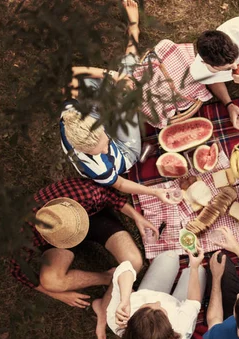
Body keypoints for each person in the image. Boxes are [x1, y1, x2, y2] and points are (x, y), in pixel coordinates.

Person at [60, 0, 177, 203]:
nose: (106, 150)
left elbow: (70, 75)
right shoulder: (98, 168)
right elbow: (121, 184)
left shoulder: (69, 116)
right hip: (125, 150)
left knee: (108, 81)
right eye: (102, 150)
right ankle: (134, 27)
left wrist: (113, 76)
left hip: (96, 115)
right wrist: (156, 192)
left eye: (104, 142)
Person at [9, 178, 156, 310]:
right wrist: (56, 294)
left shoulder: (85, 193)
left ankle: (111, 295)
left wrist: (137, 217)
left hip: (94, 219)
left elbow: (112, 198)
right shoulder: (23, 235)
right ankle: (108, 277)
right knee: (51, 282)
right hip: (56, 241)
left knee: (134, 262)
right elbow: (18, 271)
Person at [95, 249, 206, 339]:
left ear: (131, 320)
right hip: (179, 304)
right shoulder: (180, 326)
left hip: (149, 291)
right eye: (162, 310)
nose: (158, 302)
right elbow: (193, 302)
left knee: (169, 256)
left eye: (147, 305)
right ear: (170, 330)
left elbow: (125, 267)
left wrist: (124, 299)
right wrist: (194, 268)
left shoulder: (117, 317)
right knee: (200, 270)